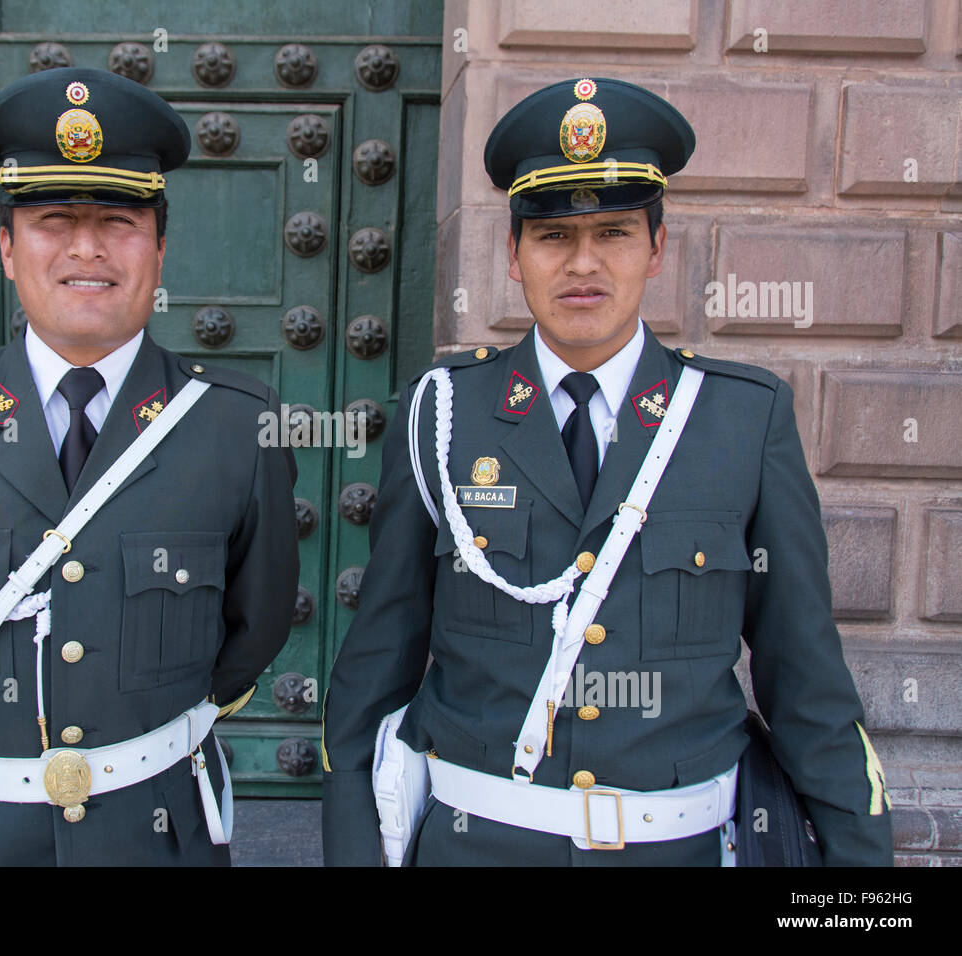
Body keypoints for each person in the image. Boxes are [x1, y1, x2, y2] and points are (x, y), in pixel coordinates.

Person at [320, 77, 892, 866]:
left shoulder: (741, 418)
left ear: (657, 250)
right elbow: (376, 665)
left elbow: (804, 677)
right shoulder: (441, 414)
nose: (582, 264)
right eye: (553, 236)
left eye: (615, 232)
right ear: (514, 255)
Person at [0, 67, 299, 866]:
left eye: (119, 220)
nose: (87, 248)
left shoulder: (236, 423)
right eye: (55, 218)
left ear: (160, 245)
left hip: (159, 831)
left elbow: (251, 633)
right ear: (9, 248)